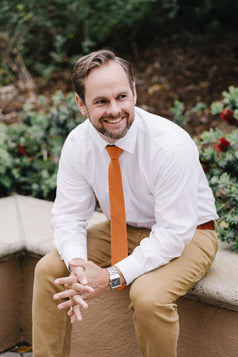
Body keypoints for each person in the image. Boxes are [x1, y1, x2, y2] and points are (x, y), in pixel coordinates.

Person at [32, 49, 219, 357]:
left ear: (134, 92)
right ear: (81, 104)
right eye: (101, 101)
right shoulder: (78, 144)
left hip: (190, 233)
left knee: (148, 296)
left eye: (122, 97)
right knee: (50, 270)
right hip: (123, 227)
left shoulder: (170, 145)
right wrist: (78, 267)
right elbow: (68, 217)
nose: (115, 110)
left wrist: (108, 276)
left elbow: (173, 234)